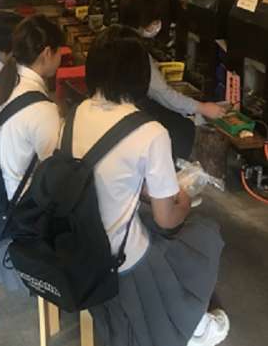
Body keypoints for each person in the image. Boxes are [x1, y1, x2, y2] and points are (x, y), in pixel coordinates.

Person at [73, 25, 228, 346]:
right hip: (119, 259)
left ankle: (183, 314)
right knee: (204, 233)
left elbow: (104, 175)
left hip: (78, 243)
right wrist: (184, 199)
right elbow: (166, 219)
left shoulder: (76, 113)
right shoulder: (150, 132)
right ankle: (189, 323)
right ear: (140, 75)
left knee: (155, 228)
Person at [0, 14, 63, 298]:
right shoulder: (42, 109)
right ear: (47, 53)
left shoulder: (4, 82)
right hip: (16, 209)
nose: (61, 60)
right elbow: (55, 172)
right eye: (60, 53)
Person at [119, 0, 225, 159]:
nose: (158, 24)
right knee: (183, 129)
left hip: (120, 113)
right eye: (156, 20)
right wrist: (203, 108)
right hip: (131, 118)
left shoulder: (117, 40)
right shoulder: (136, 52)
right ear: (144, 21)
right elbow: (164, 94)